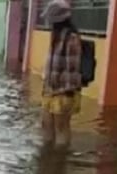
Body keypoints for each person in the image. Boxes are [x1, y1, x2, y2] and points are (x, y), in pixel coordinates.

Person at [40, 0, 82, 148]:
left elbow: (72, 68)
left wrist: (67, 92)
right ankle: (48, 161)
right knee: (46, 124)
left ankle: (59, 162)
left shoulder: (71, 38)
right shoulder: (56, 37)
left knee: (61, 128)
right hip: (50, 90)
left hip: (64, 91)